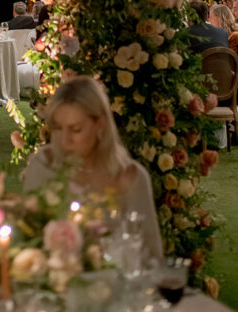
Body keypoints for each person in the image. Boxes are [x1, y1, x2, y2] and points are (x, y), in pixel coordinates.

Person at [23, 76, 164, 262]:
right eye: (58, 128)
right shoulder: (44, 166)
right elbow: (26, 241)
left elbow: (152, 256)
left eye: (76, 129)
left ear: (100, 123)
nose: (65, 141)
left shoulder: (129, 177)